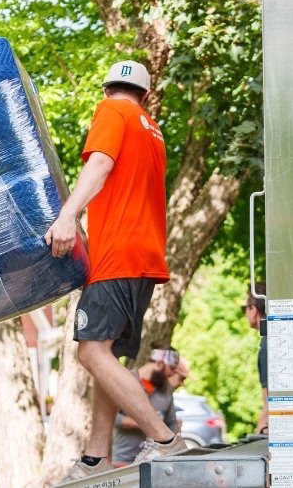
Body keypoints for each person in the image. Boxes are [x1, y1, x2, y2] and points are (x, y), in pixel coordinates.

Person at [45, 60, 187, 481]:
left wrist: (68, 215)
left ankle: (164, 439)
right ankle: (96, 455)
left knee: (89, 351)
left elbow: (100, 164)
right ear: (145, 94)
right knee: (106, 352)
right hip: (144, 257)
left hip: (116, 255)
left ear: (108, 89)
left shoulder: (110, 112)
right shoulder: (152, 130)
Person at [111, 348, 181, 467]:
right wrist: (144, 423)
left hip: (156, 463)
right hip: (124, 461)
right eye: (172, 368)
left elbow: (172, 423)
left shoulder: (166, 389)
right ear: (159, 363)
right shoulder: (127, 380)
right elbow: (111, 417)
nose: (173, 373)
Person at [244, 282, 269, 435]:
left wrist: (260, 429)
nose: (245, 314)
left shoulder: (268, 344)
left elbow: (269, 401)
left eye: (245, 308)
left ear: (253, 310)